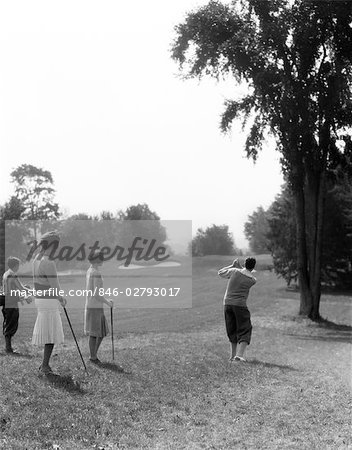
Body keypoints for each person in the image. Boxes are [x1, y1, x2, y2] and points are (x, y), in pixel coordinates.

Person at [32, 231, 67, 375]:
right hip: (48, 300)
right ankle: (45, 366)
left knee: (48, 332)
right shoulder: (49, 262)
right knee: (51, 333)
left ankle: (44, 365)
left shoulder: (36, 259)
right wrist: (62, 298)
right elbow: (55, 286)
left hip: (39, 299)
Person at [218, 257, 257, 362]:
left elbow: (220, 272)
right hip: (240, 305)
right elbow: (246, 272)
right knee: (245, 328)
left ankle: (232, 356)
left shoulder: (234, 271)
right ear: (254, 266)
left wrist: (232, 265)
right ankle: (239, 355)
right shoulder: (252, 280)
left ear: (245, 263)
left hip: (227, 304)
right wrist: (240, 267)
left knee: (231, 328)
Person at [84, 250, 113, 364]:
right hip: (95, 306)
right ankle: (93, 357)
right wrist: (108, 303)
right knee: (96, 333)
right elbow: (97, 294)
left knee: (99, 332)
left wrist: (105, 300)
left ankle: (93, 356)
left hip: (92, 305)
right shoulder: (96, 272)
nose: (103, 260)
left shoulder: (90, 270)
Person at [2, 257, 32, 353]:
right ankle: (8, 348)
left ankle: (8, 347)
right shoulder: (13, 275)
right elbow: (22, 288)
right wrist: (33, 291)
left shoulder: (6, 274)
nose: (19, 267)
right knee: (11, 324)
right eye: (18, 265)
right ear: (15, 266)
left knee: (7, 323)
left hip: (6, 302)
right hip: (12, 303)